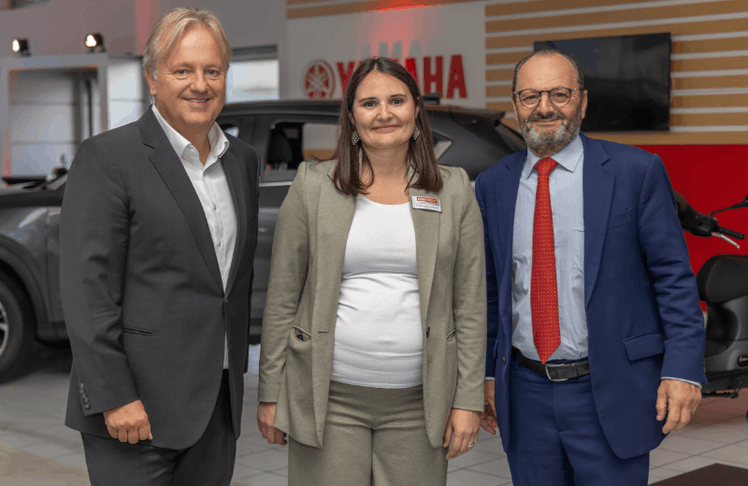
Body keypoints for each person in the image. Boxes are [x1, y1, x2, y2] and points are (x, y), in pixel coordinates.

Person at [475, 49, 706, 485]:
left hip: (612, 387)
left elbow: (673, 279)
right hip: (525, 394)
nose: (544, 108)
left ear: (582, 101)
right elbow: (491, 291)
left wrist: (681, 369)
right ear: (516, 103)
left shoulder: (635, 172)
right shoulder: (493, 185)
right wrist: (488, 373)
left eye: (559, 94)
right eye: (530, 96)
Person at [256, 57, 486, 485]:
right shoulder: (313, 186)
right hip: (328, 400)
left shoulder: (452, 190)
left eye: (396, 100)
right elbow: (283, 296)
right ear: (351, 116)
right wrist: (271, 392)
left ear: (416, 110)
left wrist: (467, 400)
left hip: (420, 405)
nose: (384, 113)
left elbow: (469, 306)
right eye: (369, 103)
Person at [59, 8, 259, 486]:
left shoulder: (242, 162)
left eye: (213, 71)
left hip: (216, 407)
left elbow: (231, 288)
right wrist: (114, 397)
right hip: (134, 412)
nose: (200, 84)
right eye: (182, 70)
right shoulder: (108, 158)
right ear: (152, 79)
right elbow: (87, 293)